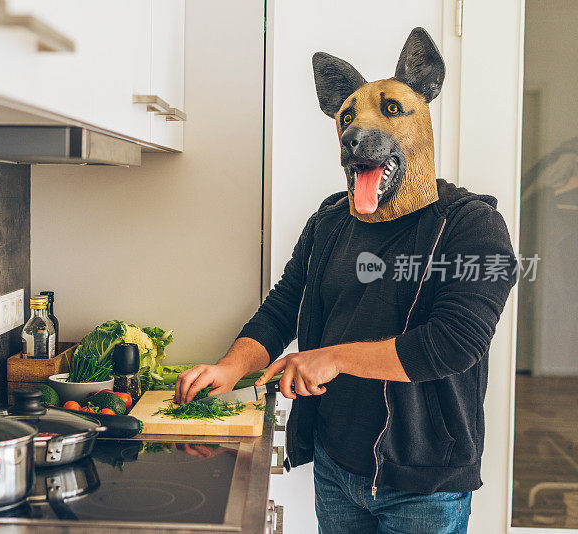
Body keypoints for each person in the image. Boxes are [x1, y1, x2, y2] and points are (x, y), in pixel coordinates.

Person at [173, 28, 517, 533]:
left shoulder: (470, 226)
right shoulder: (330, 222)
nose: (358, 130)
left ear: (424, 112)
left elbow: (451, 345)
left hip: (425, 486)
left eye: (392, 110)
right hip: (336, 469)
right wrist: (230, 368)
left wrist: (331, 358)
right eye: (347, 118)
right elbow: (282, 307)